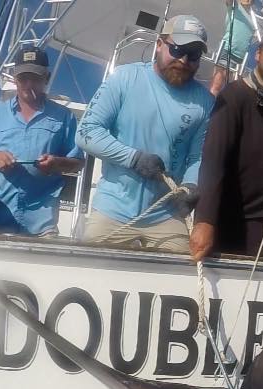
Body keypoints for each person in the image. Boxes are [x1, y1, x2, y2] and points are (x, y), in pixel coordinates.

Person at [76, 15, 214, 252]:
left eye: (193, 55)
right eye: (177, 49)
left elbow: (197, 157)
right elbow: (87, 132)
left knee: (183, 276)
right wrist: (134, 158)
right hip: (112, 209)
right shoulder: (124, 77)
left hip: (166, 214)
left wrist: (191, 185)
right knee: (87, 272)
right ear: (159, 44)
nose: (183, 60)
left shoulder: (205, 102)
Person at [191, 26, 263, 262]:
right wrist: (204, 221)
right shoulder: (234, 95)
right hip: (235, 218)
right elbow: (213, 160)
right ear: (258, 54)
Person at [0, 46, 83, 236]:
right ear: (14, 79)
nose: (29, 84)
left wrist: (56, 163)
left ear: (47, 77)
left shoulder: (65, 117)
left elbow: (78, 163)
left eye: (36, 78)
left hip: (42, 223)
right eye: (23, 78)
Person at [210, 0, 257, 96]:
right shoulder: (235, 6)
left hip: (240, 58)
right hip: (228, 50)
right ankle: (209, 106)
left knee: (230, 90)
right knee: (216, 86)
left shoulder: (254, 19)